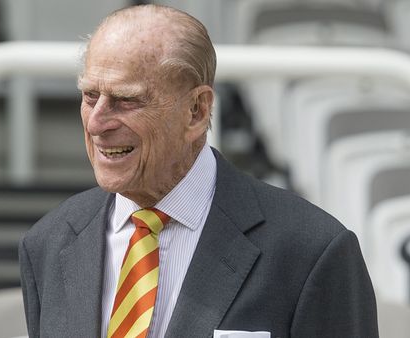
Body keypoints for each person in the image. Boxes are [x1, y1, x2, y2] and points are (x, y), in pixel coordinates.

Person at [19, 4, 378, 338]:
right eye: (90, 96)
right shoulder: (49, 244)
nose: (97, 123)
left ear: (197, 111)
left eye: (127, 100)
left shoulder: (311, 252)